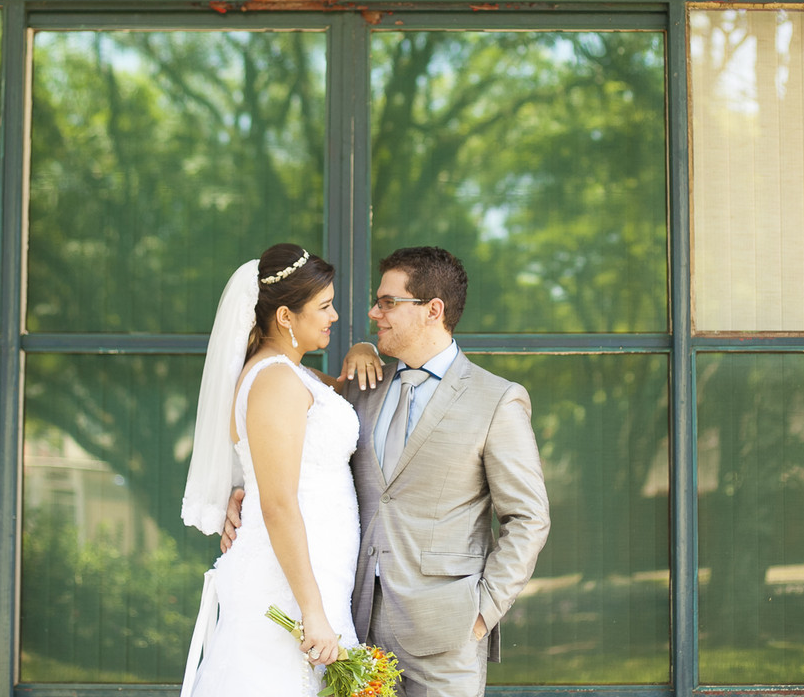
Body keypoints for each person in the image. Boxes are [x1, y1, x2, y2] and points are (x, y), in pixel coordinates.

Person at [226, 246, 551, 697]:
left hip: (446, 636)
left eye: (388, 303)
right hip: (352, 626)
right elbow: (286, 445)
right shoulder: (361, 388)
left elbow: (529, 518)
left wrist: (480, 615)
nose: (372, 312)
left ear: (432, 310)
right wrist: (242, 492)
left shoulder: (496, 400)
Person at [180, 243, 380, 697]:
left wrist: (364, 348)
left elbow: (346, 394)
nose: (333, 316)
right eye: (324, 307)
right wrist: (312, 611)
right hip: (288, 583)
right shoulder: (274, 381)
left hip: (317, 571)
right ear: (286, 317)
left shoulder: (295, 375)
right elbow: (277, 503)